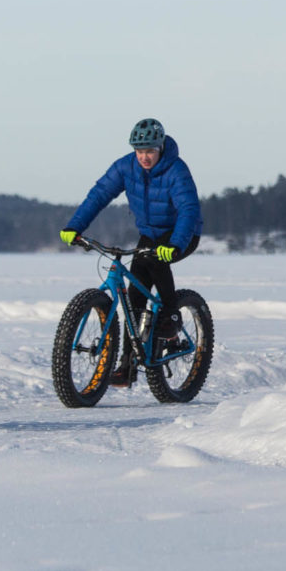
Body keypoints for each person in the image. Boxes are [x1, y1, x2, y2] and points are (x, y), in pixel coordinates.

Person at [59, 118, 201, 382]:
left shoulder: (176, 170)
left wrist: (175, 244)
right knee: (134, 298)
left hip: (183, 233)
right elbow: (99, 195)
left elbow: (188, 210)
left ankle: (171, 314)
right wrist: (74, 226)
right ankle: (127, 366)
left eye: (149, 151)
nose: (144, 157)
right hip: (150, 233)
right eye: (139, 151)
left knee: (157, 260)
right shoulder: (125, 167)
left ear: (160, 148)